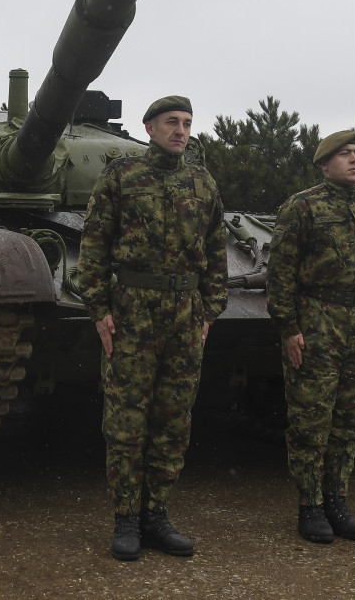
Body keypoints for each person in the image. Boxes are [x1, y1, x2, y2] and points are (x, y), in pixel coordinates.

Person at [76, 95, 228, 561]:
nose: (180, 130)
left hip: (184, 311)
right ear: (149, 128)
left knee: (173, 420)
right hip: (133, 310)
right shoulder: (122, 177)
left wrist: (210, 310)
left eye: (186, 123)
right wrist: (99, 307)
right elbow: (95, 244)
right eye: (170, 122)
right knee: (126, 422)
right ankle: (126, 518)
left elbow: (217, 250)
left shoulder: (203, 183)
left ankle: (156, 515)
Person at [266, 129, 355, 543]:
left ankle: (338, 503)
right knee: (311, 421)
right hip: (317, 324)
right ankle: (310, 507)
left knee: (349, 420)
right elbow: (280, 275)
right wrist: (289, 328)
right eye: (345, 154)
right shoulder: (302, 208)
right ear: (325, 164)